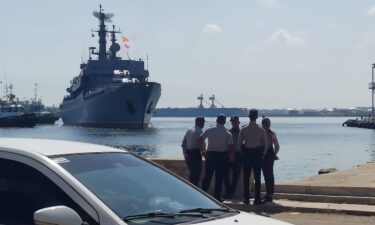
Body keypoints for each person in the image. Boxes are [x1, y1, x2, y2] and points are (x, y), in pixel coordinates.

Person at [199, 114, 234, 202]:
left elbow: (200, 139)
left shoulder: (209, 130)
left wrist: (202, 151)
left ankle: (202, 195)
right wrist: (228, 154)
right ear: (224, 121)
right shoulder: (227, 133)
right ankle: (217, 197)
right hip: (222, 157)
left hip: (210, 155)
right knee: (219, 178)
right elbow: (230, 147)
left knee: (207, 176)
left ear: (216, 120)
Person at [238, 109, 268, 205]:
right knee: (258, 178)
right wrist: (263, 154)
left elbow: (239, 144)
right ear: (257, 117)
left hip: (247, 153)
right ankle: (257, 199)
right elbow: (266, 144)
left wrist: (243, 153)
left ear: (249, 116)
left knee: (246, 177)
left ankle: (246, 199)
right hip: (257, 154)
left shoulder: (244, 129)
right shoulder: (261, 129)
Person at [181, 116, 205, 186]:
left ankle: (191, 189)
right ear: (198, 122)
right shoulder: (199, 131)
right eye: (202, 122)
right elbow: (201, 144)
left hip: (188, 154)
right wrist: (204, 152)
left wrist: (184, 153)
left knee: (192, 174)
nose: (203, 124)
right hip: (196, 154)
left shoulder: (189, 130)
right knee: (196, 175)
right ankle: (195, 190)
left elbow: (183, 143)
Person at [261, 117, 280, 202]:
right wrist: (274, 154)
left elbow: (277, 146)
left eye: (268, 123)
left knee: (269, 174)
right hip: (265, 153)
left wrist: (274, 154)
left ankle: (270, 194)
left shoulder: (269, 133)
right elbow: (277, 145)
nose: (267, 125)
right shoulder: (270, 133)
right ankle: (268, 193)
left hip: (268, 154)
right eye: (266, 123)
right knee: (266, 175)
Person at [223, 116, 242, 199]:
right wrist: (230, 154)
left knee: (236, 175)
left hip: (238, 155)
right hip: (228, 154)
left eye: (235, 122)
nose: (233, 123)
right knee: (226, 174)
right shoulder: (228, 132)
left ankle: (230, 193)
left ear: (238, 122)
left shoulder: (242, 132)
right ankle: (228, 191)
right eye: (232, 122)